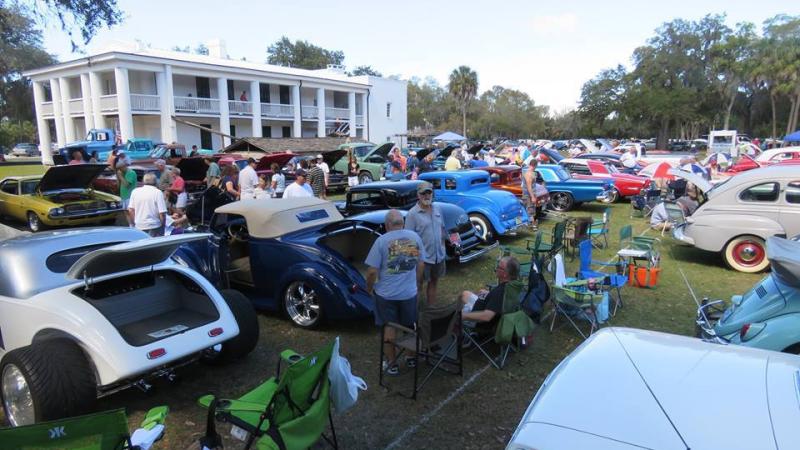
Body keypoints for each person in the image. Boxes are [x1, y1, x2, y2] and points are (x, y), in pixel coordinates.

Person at [365, 209, 425, 376]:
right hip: (409, 293)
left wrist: (369, 288)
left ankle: (392, 364)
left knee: (389, 327)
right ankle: (410, 357)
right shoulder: (414, 238)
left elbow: (371, 271)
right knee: (410, 325)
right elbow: (421, 265)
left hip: (386, 296)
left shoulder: (381, 241)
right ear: (403, 223)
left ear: (386, 225)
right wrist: (418, 284)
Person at [405, 181, 446, 306]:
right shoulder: (412, 214)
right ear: (418, 195)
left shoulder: (437, 209)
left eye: (429, 192)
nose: (426, 196)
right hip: (422, 260)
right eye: (423, 193)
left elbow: (442, 230)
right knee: (417, 287)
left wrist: (443, 248)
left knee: (434, 282)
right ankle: (413, 316)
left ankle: (431, 310)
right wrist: (414, 261)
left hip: (438, 257)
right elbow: (408, 240)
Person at [461, 256, 520, 324]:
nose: (496, 269)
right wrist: (489, 294)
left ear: (505, 274)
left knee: (456, 313)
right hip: (485, 304)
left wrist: (463, 316)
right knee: (465, 294)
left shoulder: (499, 292)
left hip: (477, 316)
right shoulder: (512, 286)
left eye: (499, 267)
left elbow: (487, 317)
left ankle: (456, 323)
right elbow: (498, 301)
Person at [128, 173, 167, 237]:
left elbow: (130, 209)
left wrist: (135, 222)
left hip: (139, 225)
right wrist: (162, 227)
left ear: (143, 181)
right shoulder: (157, 192)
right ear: (155, 182)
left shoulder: (135, 191)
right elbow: (162, 213)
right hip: (154, 225)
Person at [115, 158, 137, 225]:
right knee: (125, 212)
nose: (119, 170)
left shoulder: (131, 173)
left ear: (124, 166)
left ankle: (135, 225)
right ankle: (130, 225)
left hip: (129, 196)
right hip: (123, 196)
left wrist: (121, 176)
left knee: (131, 212)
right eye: (118, 169)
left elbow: (127, 185)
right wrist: (118, 178)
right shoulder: (121, 173)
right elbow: (119, 186)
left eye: (120, 168)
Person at [521, 158, 539, 229]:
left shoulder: (533, 173)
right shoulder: (528, 174)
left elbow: (533, 185)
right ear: (535, 165)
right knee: (530, 210)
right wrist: (532, 197)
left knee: (530, 210)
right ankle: (532, 225)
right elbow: (529, 187)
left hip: (531, 194)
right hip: (528, 195)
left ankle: (528, 224)